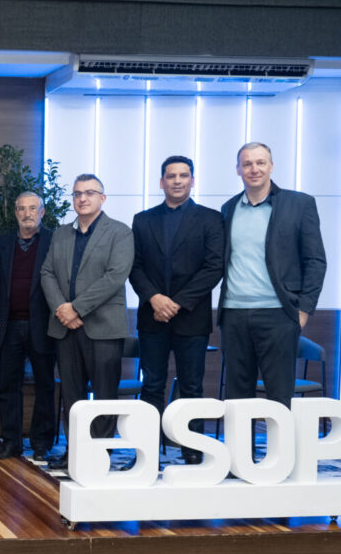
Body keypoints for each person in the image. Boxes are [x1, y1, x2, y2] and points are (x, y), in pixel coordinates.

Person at [129, 156, 224, 465]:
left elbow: (214, 267)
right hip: (151, 317)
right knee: (151, 385)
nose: (178, 180)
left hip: (192, 317)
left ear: (192, 180)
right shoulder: (142, 220)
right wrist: (155, 298)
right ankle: (147, 453)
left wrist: (177, 302)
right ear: (162, 182)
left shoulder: (210, 219)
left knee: (192, 387)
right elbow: (135, 266)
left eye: (184, 175)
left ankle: (192, 450)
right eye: (171, 176)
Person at [219, 142, 326, 406]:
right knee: (237, 398)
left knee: (279, 396)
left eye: (260, 162)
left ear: (271, 166)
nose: (254, 169)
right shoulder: (228, 208)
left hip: (279, 313)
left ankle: (281, 449)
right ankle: (241, 449)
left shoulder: (299, 204)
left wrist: (303, 311)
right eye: (247, 164)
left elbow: (315, 260)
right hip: (234, 314)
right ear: (238, 170)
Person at [40, 174, 133, 470]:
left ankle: (100, 455)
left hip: (103, 327)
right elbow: (47, 274)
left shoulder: (120, 232)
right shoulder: (61, 234)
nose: (82, 198)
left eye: (90, 193)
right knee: (72, 395)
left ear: (102, 199)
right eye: (77, 193)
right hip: (65, 328)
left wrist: (76, 309)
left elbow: (115, 276)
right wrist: (61, 309)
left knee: (105, 393)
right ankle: (75, 452)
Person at [0, 191, 57, 461]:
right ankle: (12, 441)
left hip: (43, 325)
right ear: (15, 213)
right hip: (8, 325)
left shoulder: (54, 241)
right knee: (8, 386)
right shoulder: (0, 243)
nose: (27, 213)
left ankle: (41, 443)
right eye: (22, 209)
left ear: (42, 212)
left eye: (32, 208)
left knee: (45, 385)